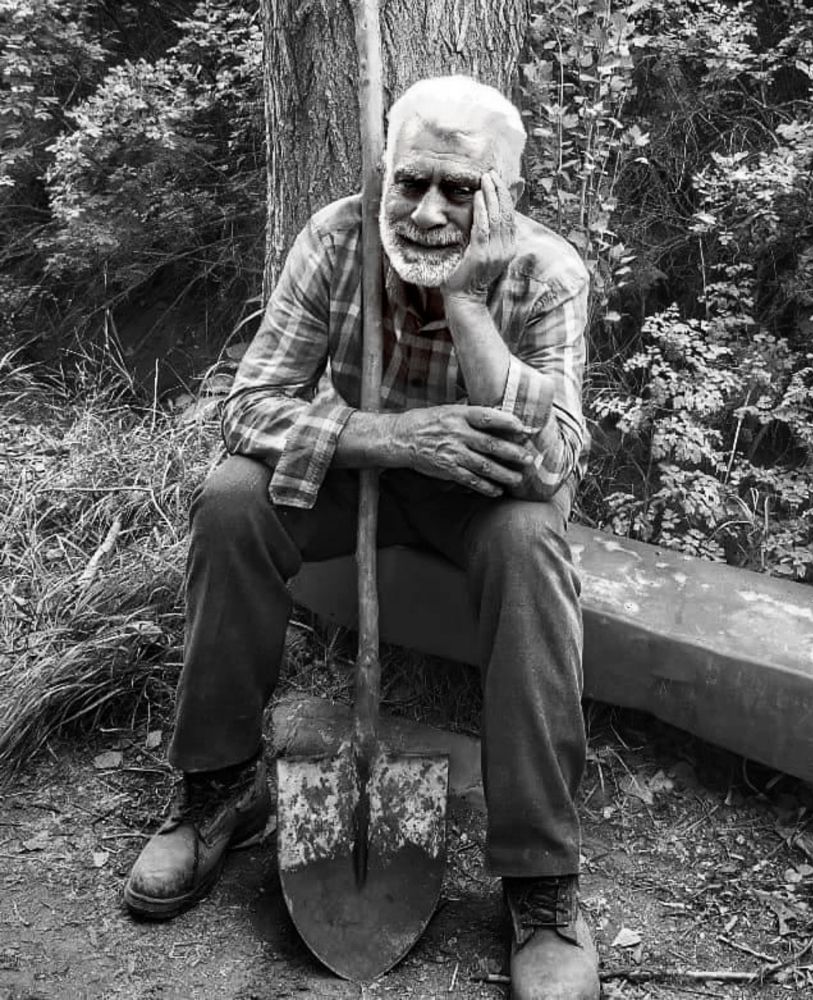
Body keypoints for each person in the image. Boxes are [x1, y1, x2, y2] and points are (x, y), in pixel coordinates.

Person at [124, 75, 598, 1000]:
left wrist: (466, 303)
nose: (426, 212)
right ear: (385, 173)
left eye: (459, 190)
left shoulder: (548, 273)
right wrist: (389, 437)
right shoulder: (337, 238)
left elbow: (546, 468)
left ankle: (540, 879)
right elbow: (249, 409)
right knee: (232, 498)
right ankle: (219, 787)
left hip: (481, 495)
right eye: (410, 181)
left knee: (529, 546)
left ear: (505, 197)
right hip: (360, 467)